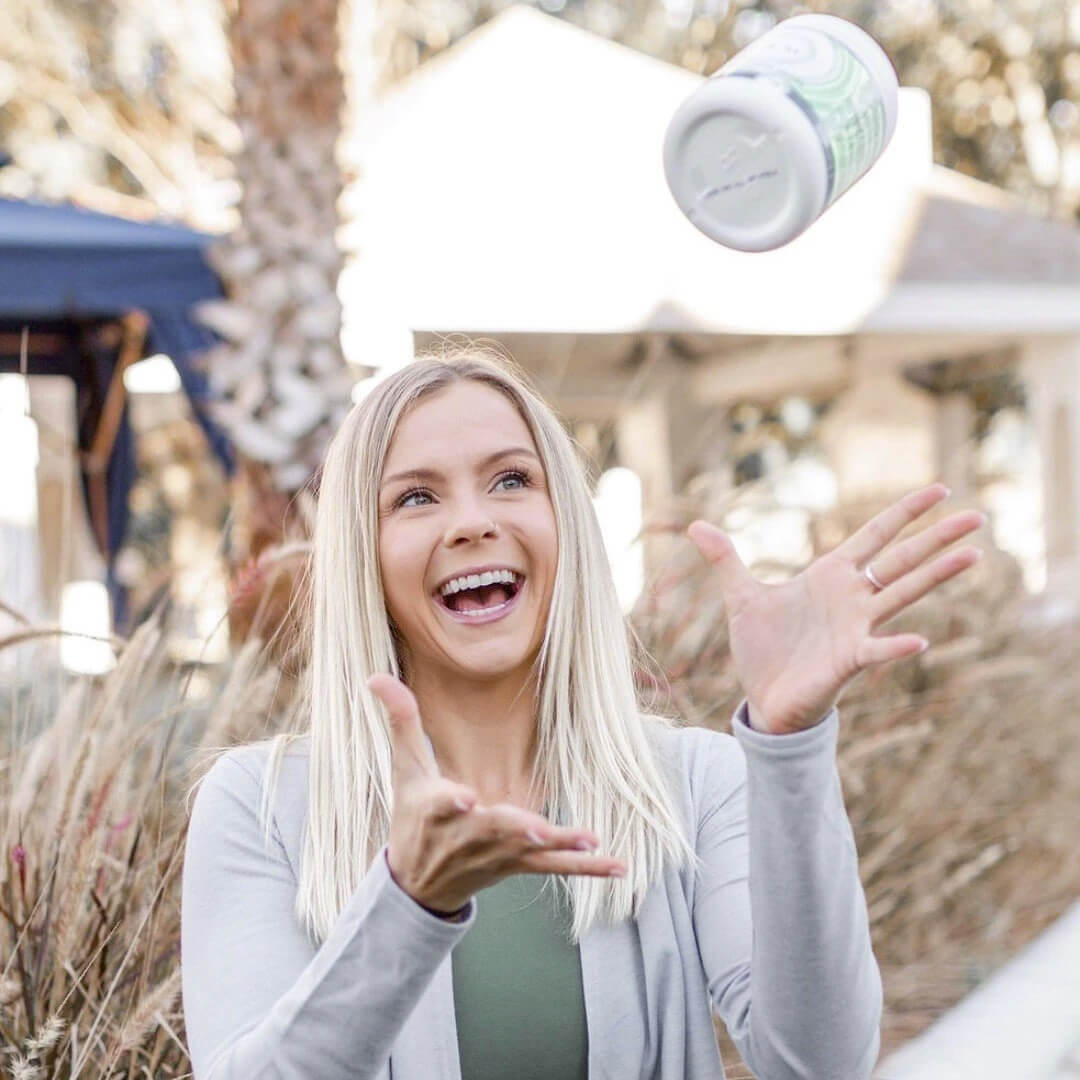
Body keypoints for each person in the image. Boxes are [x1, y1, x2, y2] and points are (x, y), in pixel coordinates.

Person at [180, 344, 985, 1080]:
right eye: (417, 498)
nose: (472, 522)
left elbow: (820, 1061)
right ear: (366, 556)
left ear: (566, 521)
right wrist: (406, 903)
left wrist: (789, 743)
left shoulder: (694, 785)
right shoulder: (260, 808)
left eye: (511, 480)